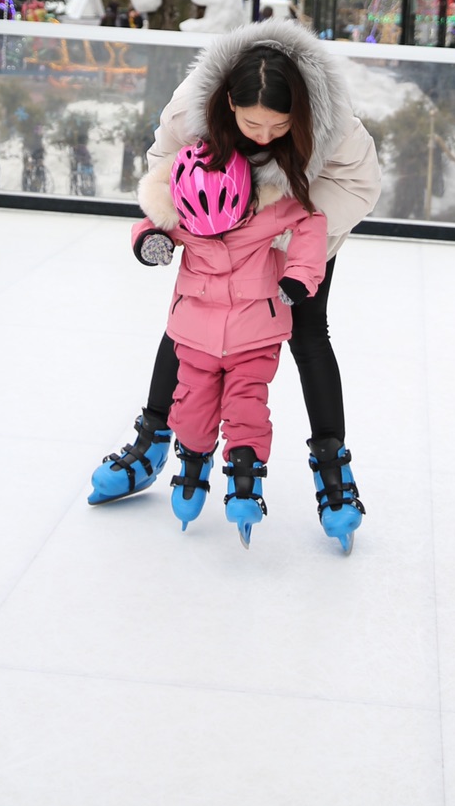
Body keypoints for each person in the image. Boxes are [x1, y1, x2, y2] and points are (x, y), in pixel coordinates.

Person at [88, 20, 379, 547]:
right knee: (189, 331)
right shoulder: (190, 110)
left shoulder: (338, 127)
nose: (264, 137)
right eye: (252, 124)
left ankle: (332, 465)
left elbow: (359, 186)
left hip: (298, 242)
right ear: (227, 105)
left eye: (279, 127)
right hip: (211, 237)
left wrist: (278, 234)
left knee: (310, 335)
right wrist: (176, 220)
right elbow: (163, 166)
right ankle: (154, 437)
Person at [131, 138, 328, 547]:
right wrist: (150, 240)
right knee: (190, 405)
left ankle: (245, 469)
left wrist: (300, 274)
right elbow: (150, 221)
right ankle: (193, 456)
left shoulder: (268, 209)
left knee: (247, 406)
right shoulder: (181, 213)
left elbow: (311, 220)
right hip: (196, 336)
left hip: (254, 337)